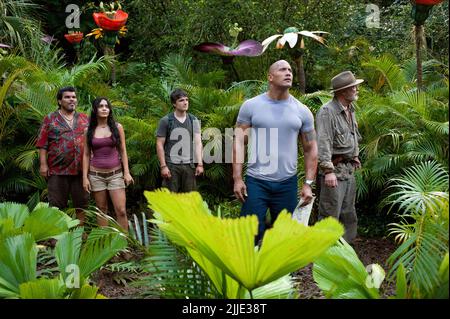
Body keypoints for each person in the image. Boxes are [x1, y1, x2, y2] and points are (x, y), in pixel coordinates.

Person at [233, 60, 318, 243]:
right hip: (256, 181)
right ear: (270, 77)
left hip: (287, 183)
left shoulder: (302, 111)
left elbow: (311, 149)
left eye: (290, 70)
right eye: (282, 69)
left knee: (284, 238)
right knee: (249, 235)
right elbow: (239, 141)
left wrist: (308, 183)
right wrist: (237, 178)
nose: (288, 73)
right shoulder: (251, 106)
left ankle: (283, 273)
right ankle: (250, 271)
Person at [315, 70, 364, 243]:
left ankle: (346, 254)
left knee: (348, 214)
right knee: (330, 215)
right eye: (354, 87)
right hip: (334, 172)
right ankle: (324, 256)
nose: (357, 89)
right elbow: (323, 141)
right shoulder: (327, 112)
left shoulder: (350, 109)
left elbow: (351, 136)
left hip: (348, 170)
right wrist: (328, 171)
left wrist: (355, 156)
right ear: (343, 91)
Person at [36, 86, 89, 224]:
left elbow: (92, 141)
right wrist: (43, 164)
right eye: (67, 97)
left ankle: (80, 233)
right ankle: (56, 238)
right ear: (60, 101)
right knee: (57, 206)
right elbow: (42, 143)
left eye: (74, 97)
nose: (72, 99)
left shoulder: (84, 119)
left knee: (82, 205)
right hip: (57, 170)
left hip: (80, 170)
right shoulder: (50, 119)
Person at [82, 97, 134, 231]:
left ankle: (124, 245)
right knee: (102, 210)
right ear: (95, 110)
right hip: (96, 176)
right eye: (100, 106)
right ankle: (105, 244)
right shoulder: (89, 130)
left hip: (115, 175)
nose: (104, 108)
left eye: (106, 106)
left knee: (121, 210)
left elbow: (123, 150)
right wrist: (85, 178)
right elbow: (86, 154)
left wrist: (127, 172)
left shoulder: (117, 127)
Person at [156, 89, 203, 192]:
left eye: (187, 100)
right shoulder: (166, 121)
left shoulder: (193, 120)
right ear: (174, 104)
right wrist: (163, 166)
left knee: (189, 200)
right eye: (181, 100)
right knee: (170, 200)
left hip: (189, 166)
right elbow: (159, 144)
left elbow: (198, 143)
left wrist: (200, 164)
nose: (185, 102)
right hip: (171, 166)